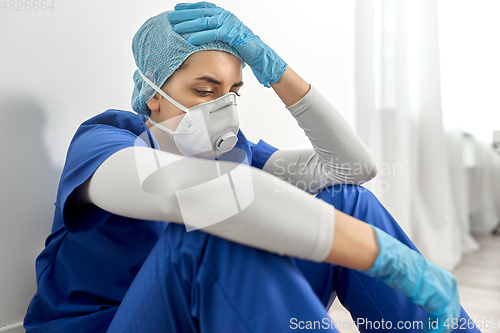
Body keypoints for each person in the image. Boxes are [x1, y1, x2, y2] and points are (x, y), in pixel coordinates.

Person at [24, 2, 480, 332]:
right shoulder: (106, 141)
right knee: (212, 231)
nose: (223, 107)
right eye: (205, 90)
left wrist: (276, 68)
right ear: (153, 95)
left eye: (234, 91)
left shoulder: (232, 154)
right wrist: (379, 253)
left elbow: (351, 168)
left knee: (340, 199)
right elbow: (196, 193)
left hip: (210, 318)